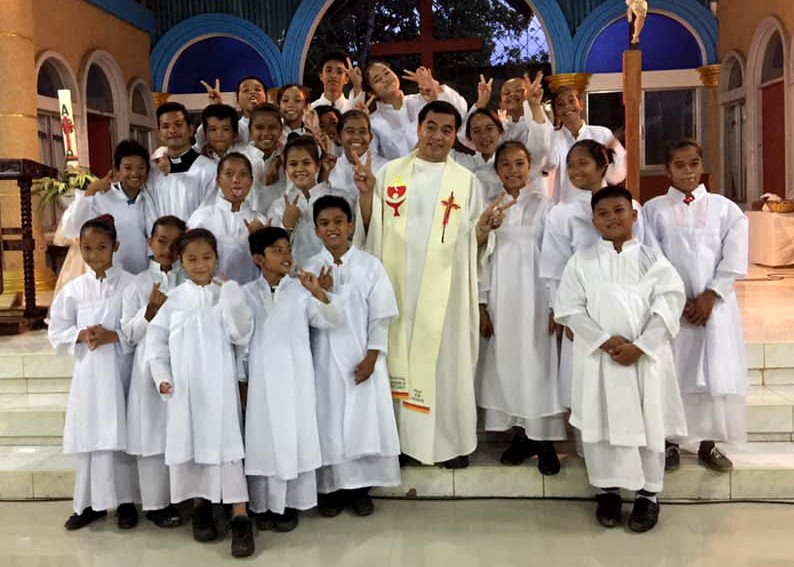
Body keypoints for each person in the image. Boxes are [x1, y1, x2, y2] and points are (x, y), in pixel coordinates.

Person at [354, 100, 509, 468]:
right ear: (418, 128)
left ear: (455, 136)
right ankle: (404, 444)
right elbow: (370, 228)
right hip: (400, 288)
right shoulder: (390, 173)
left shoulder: (465, 182)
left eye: (447, 129)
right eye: (432, 127)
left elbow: (474, 237)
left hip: (448, 292)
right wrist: (364, 194)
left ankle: (449, 444)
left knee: (446, 364)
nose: (438, 136)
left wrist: (485, 229)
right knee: (401, 359)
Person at [554, 185, 687, 532]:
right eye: (603, 213)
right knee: (602, 428)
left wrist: (640, 346)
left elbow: (669, 302)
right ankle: (607, 490)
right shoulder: (580, 261)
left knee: (648, 424)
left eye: (619, 210)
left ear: (633, 214)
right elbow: (568, 308)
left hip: (643, 360)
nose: (612, 218)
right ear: (593, 220)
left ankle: (648, 496)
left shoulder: (651, 259)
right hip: (600, 360)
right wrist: (604, 340)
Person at [145, 229, 254, 558]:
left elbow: (242, 335)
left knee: (227, 449)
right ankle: (201, 508)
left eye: (207, 257)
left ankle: (240, 517)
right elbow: (155, 342)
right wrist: (162, 376)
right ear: (181, 261)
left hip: (219, 388)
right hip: (187, 391)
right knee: (192, 447)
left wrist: (232, 301)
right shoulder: (173, 299)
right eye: (191, 258)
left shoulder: (227, 293)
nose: (200, 264)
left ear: (216, 258)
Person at [642, 138, 749, 473]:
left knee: (713, 371)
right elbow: (651, 255)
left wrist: (710, 295)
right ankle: (670, 441)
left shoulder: (725, 209)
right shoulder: (653, 210)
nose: (687, 172)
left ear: (702, 165)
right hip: (673, 306)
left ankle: (709, 442)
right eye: (679, 165)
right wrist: (678, 297)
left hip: (715, 309)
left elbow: (733, 256)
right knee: (675, 371)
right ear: (668, 170)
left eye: (693, 164)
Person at [305, 196, 401, 517]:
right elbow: (304, 317)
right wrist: (322, 293)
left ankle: (361, 488)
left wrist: (373, 355)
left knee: (363, 423)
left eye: (338, 222)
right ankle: (331, 489)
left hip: (363, 358)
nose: (332, 228)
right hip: (325, 361)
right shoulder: (308, 268)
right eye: (324, 223)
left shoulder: (370, 265)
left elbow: (381, 315)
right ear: (316, 229)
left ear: (350, 225)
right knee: (329, 421)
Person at [241, 226, 342, 533]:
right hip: (260, 382)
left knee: (292, 438)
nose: (286, 255)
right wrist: (242, 381)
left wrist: (318, 292)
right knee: (264, 442)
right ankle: (262, 505)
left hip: (295, 379)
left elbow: (332, 320)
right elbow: (240, 342)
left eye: (287, 249)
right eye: (277, 250)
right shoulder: (246, 294)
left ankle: (289, 505)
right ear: (259, 258)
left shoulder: (300, 291)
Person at [476, 141, 564, 474]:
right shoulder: (489, 207)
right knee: (507, 362)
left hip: (536, 298)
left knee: (538, 363)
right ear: (496, 171)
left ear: (530, 167)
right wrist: (483, 302)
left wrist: (557, 304)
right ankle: (520, 435)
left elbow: (555, 257)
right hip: (501, 297)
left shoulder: (546, 207)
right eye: (506, 165)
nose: (513, 171)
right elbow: (481, 259)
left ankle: (545, 441)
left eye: (519, 164)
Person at [48, 215, 140, 531]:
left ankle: (126, 502)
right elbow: (57, 327)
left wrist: (113, 335)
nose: (94, 255)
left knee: (120, 435)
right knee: (90, 436)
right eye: (87, 248)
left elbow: (137, 326)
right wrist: (80, 333)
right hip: (88, 376)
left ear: (114, 247)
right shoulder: (74, 290)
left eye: (101, 247)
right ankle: (87, 504)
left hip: (119, 373)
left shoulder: (130, 285)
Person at [540, 139, 644, 409]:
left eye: (583, 163)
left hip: (625, 303)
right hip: (582, 307)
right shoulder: (561, 213)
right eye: (570, 165)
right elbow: (555, 268)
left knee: (623, 375)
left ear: (603, 165)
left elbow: (642, 255)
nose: (575, 171)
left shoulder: (629, 206)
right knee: (585, 382)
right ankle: (588, 446)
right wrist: (561, 311)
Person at [121, 215, 186, 528]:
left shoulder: (188, 278)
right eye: (162, 241)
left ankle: (183, 496)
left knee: (178, 430)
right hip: (148, 366)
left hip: (182, 362)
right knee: (152, 435)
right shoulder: (137, 282)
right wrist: (150, 311)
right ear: (150, 242)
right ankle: (155, 503)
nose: (168, 249)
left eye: (175, 244)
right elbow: (129, 334)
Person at [62, 140, 150, 274]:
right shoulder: (102, 197)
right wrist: (90, 192)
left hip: (143, 272)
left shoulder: (149, 199)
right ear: (116, 171)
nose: (135, 173)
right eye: (128, 168)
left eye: (141, 168)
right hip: (110, 274)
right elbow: (74, 227)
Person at [188, 152, 268, 284]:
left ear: (251, 181)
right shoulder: (202, 217)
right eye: (229, 174)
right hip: (210, 293)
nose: (236, 179)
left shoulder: (260, 220)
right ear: (218, 181)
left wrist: (259, 239)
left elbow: (269, 264)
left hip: (249, 293)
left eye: (243, 174)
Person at [364, 62, 468, 160]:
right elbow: (372, 159)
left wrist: (436, 88)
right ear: (371, 92)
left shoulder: (423, 100)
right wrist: (400, 168)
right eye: (377, 80)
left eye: (387, 73)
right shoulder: (373, 122)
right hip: (400, 177)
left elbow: (460, 114)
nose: (385, 79)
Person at [543, 86, 626, 203]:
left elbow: (617, 175)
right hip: (565, 204)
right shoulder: (552, 137)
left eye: (571, 101)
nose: (567, 106)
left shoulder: (601, 133)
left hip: (598, 203)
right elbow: (548, 165)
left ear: (581, 104)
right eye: (560, 104)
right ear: (556, 112)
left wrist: (609, 155)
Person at [267, 135, 339, 265]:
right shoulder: (279, 205)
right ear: (286, 169)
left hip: (333, 273)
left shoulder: (336, 198)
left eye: (306, 163)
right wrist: (286, 226)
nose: (300, 169)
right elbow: (271, 249)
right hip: (295, 275)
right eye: (293, 164)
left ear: (317, 166)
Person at [144, 102, 217, 227]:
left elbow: (211, 212)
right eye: (166, 126)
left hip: (197, 241)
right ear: (160, 134)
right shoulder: (153, 173)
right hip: (162, 243)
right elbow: (149, 214)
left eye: (178, 125)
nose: (172, 130)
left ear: (190, 130)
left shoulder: (210, 170)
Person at [328, 110, 387, 208]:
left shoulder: (385, 167)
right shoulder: (330, 169)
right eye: (350, 131)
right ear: (338, 136)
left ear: (370, 137)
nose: (356, 136)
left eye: (362, 131)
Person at [241, 102, 287, 215]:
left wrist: (279, 159)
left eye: (272, 127)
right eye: (259, 128)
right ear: (250, 130)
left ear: (281, 130)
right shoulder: (240, 159)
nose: (266, 133)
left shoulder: (289, 158)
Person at [196, 76, 268, 146]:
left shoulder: (277, 123)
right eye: (246, 90)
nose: (252, 92)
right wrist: (216, 108)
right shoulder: (234, 126)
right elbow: (202, 141)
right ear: (237, 102)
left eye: (257, 89)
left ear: (266, 99)